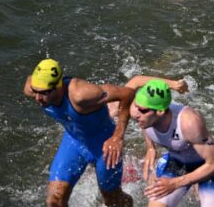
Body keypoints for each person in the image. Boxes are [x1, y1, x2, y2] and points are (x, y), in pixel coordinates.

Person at [23, 59, 135, 207]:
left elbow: (127, 94)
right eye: (35, 91)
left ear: (59, 86)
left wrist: (117, 137)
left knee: (113, 201)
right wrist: (38, 89)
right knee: (54, 201)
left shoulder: (82, 95)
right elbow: (30, 82)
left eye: (44, 93)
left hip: (103, 145)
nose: (38, 98)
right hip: (74, 142)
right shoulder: (34, 88)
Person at [130, 79, 214, 207]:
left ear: (160, 111)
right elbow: (145, 120)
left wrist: (176, 183)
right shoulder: (143, 114)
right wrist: (150, 148)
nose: (136, 114)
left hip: (206, 167)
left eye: (142, 110)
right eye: (136, 106)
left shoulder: (189, 123)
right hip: (177, 163)